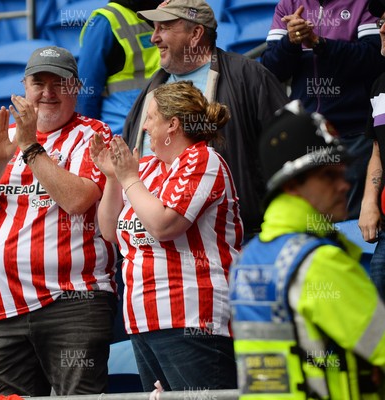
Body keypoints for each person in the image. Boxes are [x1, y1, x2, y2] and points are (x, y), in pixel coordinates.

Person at [0, 46, 117, 396]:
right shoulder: (4, 139)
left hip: (75, 302)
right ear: (24, 88)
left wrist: (31, 147)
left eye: (58, 83)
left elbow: (77, 200)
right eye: (38, 82)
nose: (47, 93)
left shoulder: (94, 134)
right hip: (8, 307)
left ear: (75, 88)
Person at [91, 80, 242, 391]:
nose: (144, 127)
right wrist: (112, 178)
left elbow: (163, 226)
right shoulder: (146, 169)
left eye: (150, 118)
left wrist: (128, 177)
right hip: (144, 321)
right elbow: (108, 231)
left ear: (172, 124)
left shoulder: (203, 160)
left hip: (193, 319)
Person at [230, 100, 385, 399]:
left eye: (342, 173)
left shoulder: (249, 260)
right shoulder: (320, 262)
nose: (344, 185)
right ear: (290, 186)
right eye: (328, 175)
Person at [122, 0, 289, 239]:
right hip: (154, 243)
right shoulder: (151, 89)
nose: (154, 38)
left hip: (231, 240)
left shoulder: (249, 76)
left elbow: (286, 150)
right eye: (154, 28)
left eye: (164, 28)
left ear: (196, 33)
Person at [262, 0, 385, 220]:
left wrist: (319, 43)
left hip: (353, 133)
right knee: (315, 217)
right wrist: (290, 42)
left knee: (353, 220)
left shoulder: (364, 3)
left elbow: (374, 60)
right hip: (308, 135)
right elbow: (271, 70)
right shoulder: (288, 4)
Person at [77, 0, 161, 136]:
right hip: (120, 134)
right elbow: (86, 89)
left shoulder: (167, 12)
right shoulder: (105, 21)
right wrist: (87, 138)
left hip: (161, 131)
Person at [360, 0, 385, 301]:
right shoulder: (380, 86)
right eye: (380, 20)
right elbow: (377, 150)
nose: (382, 27)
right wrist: (369, 201)